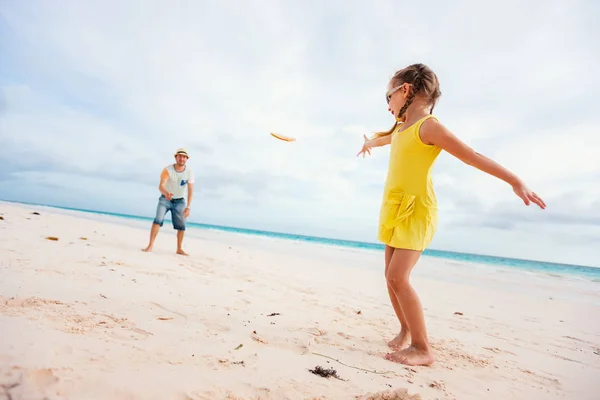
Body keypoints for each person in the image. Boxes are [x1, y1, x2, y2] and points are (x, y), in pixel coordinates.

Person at [356, 63, 546, 366]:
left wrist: (514, 181)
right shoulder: (402, 128)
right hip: (394, 207)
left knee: (398, 276)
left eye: (387, 97)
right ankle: (405, 330)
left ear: (405, 90)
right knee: (390, 277)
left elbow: (472, 156)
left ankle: (423, 347)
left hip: (416, 210)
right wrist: (369, 142)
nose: (387, 105)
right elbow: (387, 140)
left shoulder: (428, 127)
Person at [142, 148, 195, 255]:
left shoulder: (189, 172)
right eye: (179, 156)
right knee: (158, 220)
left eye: (184, 157)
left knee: (182, 225)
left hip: (180, 201)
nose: (182, 158)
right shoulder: (167, 170)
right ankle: (150, 245)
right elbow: (161, 186)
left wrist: (188, 207)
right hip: (165, 199)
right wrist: (166, 193)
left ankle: (179, 249)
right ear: (176, 157)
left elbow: (190, 191)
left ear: (187, 159)